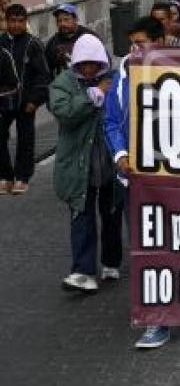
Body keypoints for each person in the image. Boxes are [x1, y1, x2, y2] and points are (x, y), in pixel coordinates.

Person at [103, 17, 170, 349]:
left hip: (174, 181)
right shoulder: (124, 74)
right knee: (144, 248)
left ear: (160, 42)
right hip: (135, 181)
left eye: (141, 43)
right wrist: (119, 155)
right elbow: (112, 120)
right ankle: (156, 320)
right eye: (131, 43)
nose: (134, 49)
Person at [49, 34, 120, 293]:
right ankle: (82, 270)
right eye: (84, 63)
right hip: (79, 165)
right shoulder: (63, 83)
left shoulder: (113, 79)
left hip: (111, 161)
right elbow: (65, 114)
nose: (89, 68)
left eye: (94, 63)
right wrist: (93, 96)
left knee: (112, 213)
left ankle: (111, 261)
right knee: (82, 216)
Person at [0, 4, 50, 195]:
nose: (16, 25)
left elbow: (43, 75)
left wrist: (35, 100)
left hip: (26, 101)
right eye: (12, 21)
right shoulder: (1, 43)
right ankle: (5, 176)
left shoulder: (33, 44)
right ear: (6, 21)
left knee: (25, 139)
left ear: (25, 22)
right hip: (3, 101)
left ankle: (22, 177)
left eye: (20, 21)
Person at [45, 4, 97, 77]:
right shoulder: (53, 42)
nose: (62, 24)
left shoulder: (89, 37)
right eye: (59, 21)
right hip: (64, 85)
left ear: (75, 19)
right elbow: (47, 69)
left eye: (66, 19)